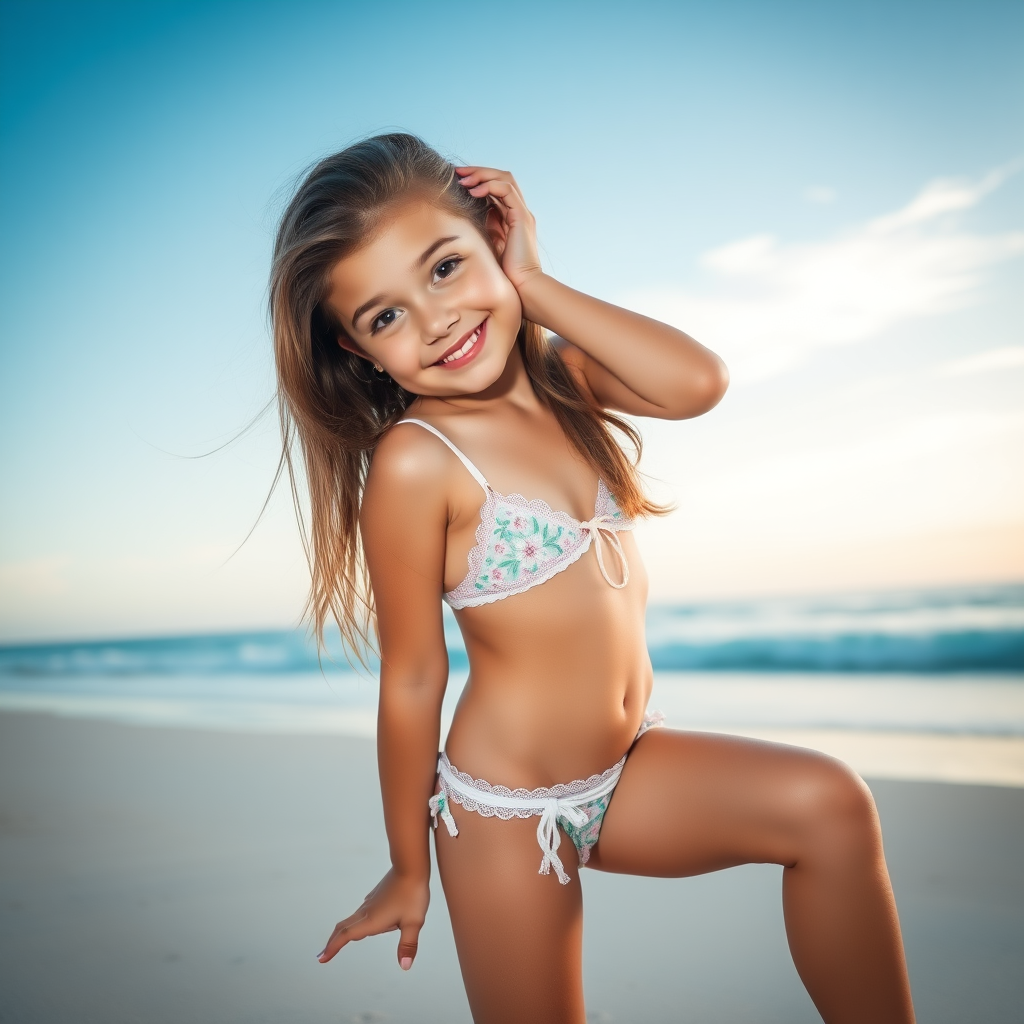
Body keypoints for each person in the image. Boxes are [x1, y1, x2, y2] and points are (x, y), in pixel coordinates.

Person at [270, 133, 915, 1023]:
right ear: (359, 352)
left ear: (495, 240)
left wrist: (534, 284)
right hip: (503, 813)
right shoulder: (419, 461)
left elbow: (698, 380)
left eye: (448, 267)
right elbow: (414, 674)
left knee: (831, 804)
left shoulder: (567, 380)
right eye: (385, 317)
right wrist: (407, 862)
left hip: (631, 766)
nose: (436, 320)